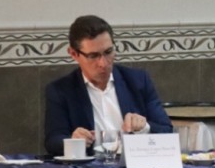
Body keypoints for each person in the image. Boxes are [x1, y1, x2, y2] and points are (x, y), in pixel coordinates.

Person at [44, 15, 173, 156]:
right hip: (89, 167)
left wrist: (144, 127)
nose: (103, 63)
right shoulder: (60, 90)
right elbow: (53, 141)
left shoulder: (138, 81)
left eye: (108, 52)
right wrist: (72, 140)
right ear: (74, 54)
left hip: (133, 164)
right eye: (93, 56)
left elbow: (166, 130)